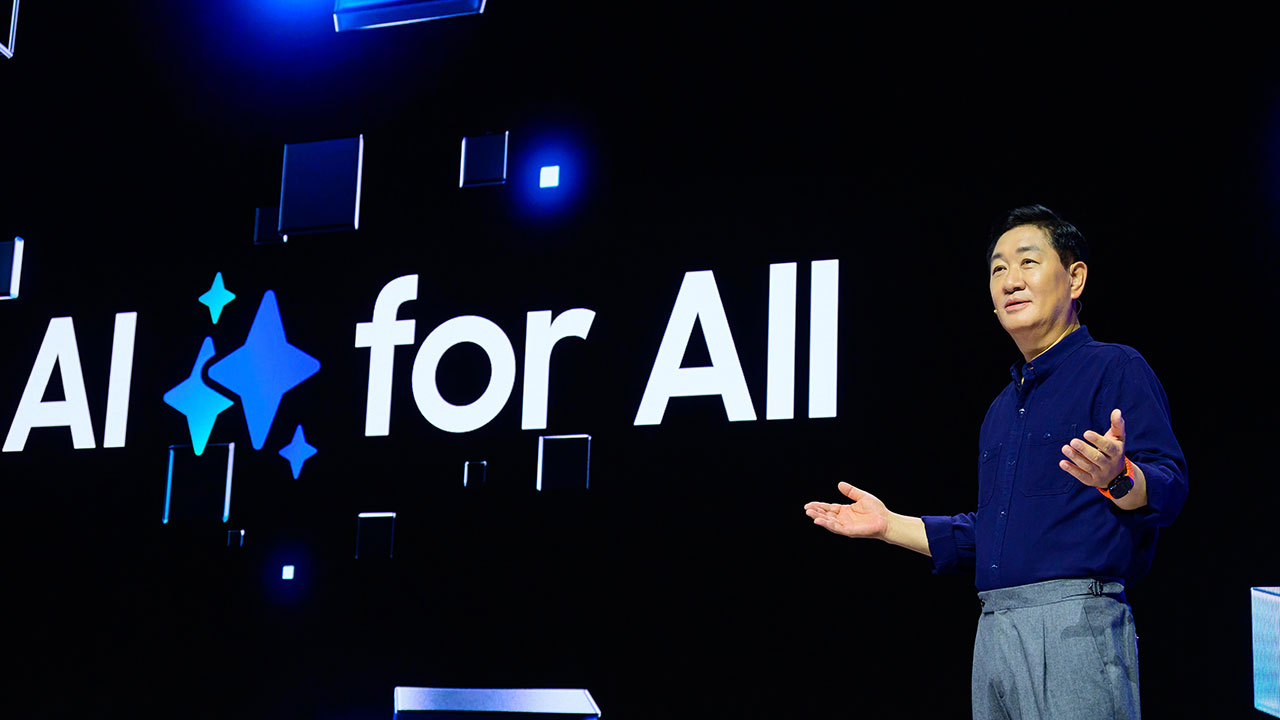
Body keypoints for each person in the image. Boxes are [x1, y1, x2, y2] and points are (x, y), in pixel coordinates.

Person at [804, 205, 1187, 719]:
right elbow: (992, 534)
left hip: (1075, 622)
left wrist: (1119, 477)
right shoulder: (1001, 410)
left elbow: (1169, 486)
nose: (1010, 281)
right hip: (995, 628)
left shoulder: (1115, 367)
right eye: (998, 269)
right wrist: (889, 525)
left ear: (1075, 278)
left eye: (1028, 262)